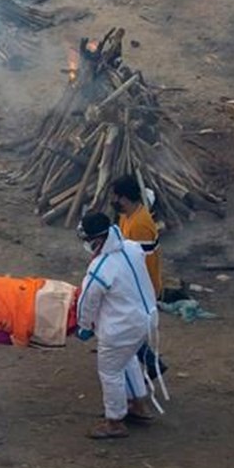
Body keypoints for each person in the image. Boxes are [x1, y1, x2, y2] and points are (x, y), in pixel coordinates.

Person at [75, 212, 159, 440]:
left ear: (96, 240)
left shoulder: (100, 268)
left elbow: (87, 301)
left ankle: (114, 421)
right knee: (128, 358)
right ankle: (138, 404)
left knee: (110, 371)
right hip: (146, 319)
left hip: (122, 327)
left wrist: (83, 325)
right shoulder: (132, 248)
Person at [111, 175, 160, 295]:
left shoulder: (139, 225)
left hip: (142, 287)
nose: (113, 200)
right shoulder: (126, 215)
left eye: (115, 196)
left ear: (124, 198)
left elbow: (143, 264)